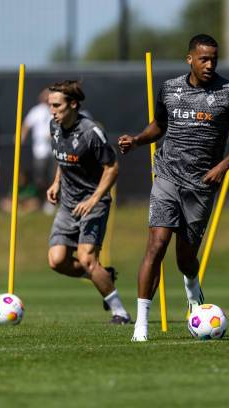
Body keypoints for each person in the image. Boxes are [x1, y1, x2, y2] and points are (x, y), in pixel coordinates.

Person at [118, 34, 229, 342]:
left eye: (214, 60)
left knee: (185, 258)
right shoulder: (169, 89)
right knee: (156, 246)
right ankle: (141, 323)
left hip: (201, 185)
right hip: (166, 175)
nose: (209, 65)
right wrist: (139, 140)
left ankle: (192, 285)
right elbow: (160, 125)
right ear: (190, 59)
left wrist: (222, 166)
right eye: (203, 59)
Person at [46, 80, 130, 324]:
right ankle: (103, 276)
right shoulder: (54, 126)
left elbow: (112, 168)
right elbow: (63, 158)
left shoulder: (91, 132)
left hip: (94, 203)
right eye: (50, 105)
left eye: (57, 105)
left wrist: (94, 199)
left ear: (73, 104)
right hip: (68, 204)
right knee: (57, 261)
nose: (52, 111)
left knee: (86, 259)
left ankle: (120, 312)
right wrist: (56, 183)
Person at [21, 88, 56, 214]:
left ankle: (50, 202)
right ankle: (41, 200)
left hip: (54, 150)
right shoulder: (36, 111)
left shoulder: (56, 110)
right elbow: (26, 124)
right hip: (39, 150)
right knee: (40, 178)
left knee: (53, 177)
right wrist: (21, 136)